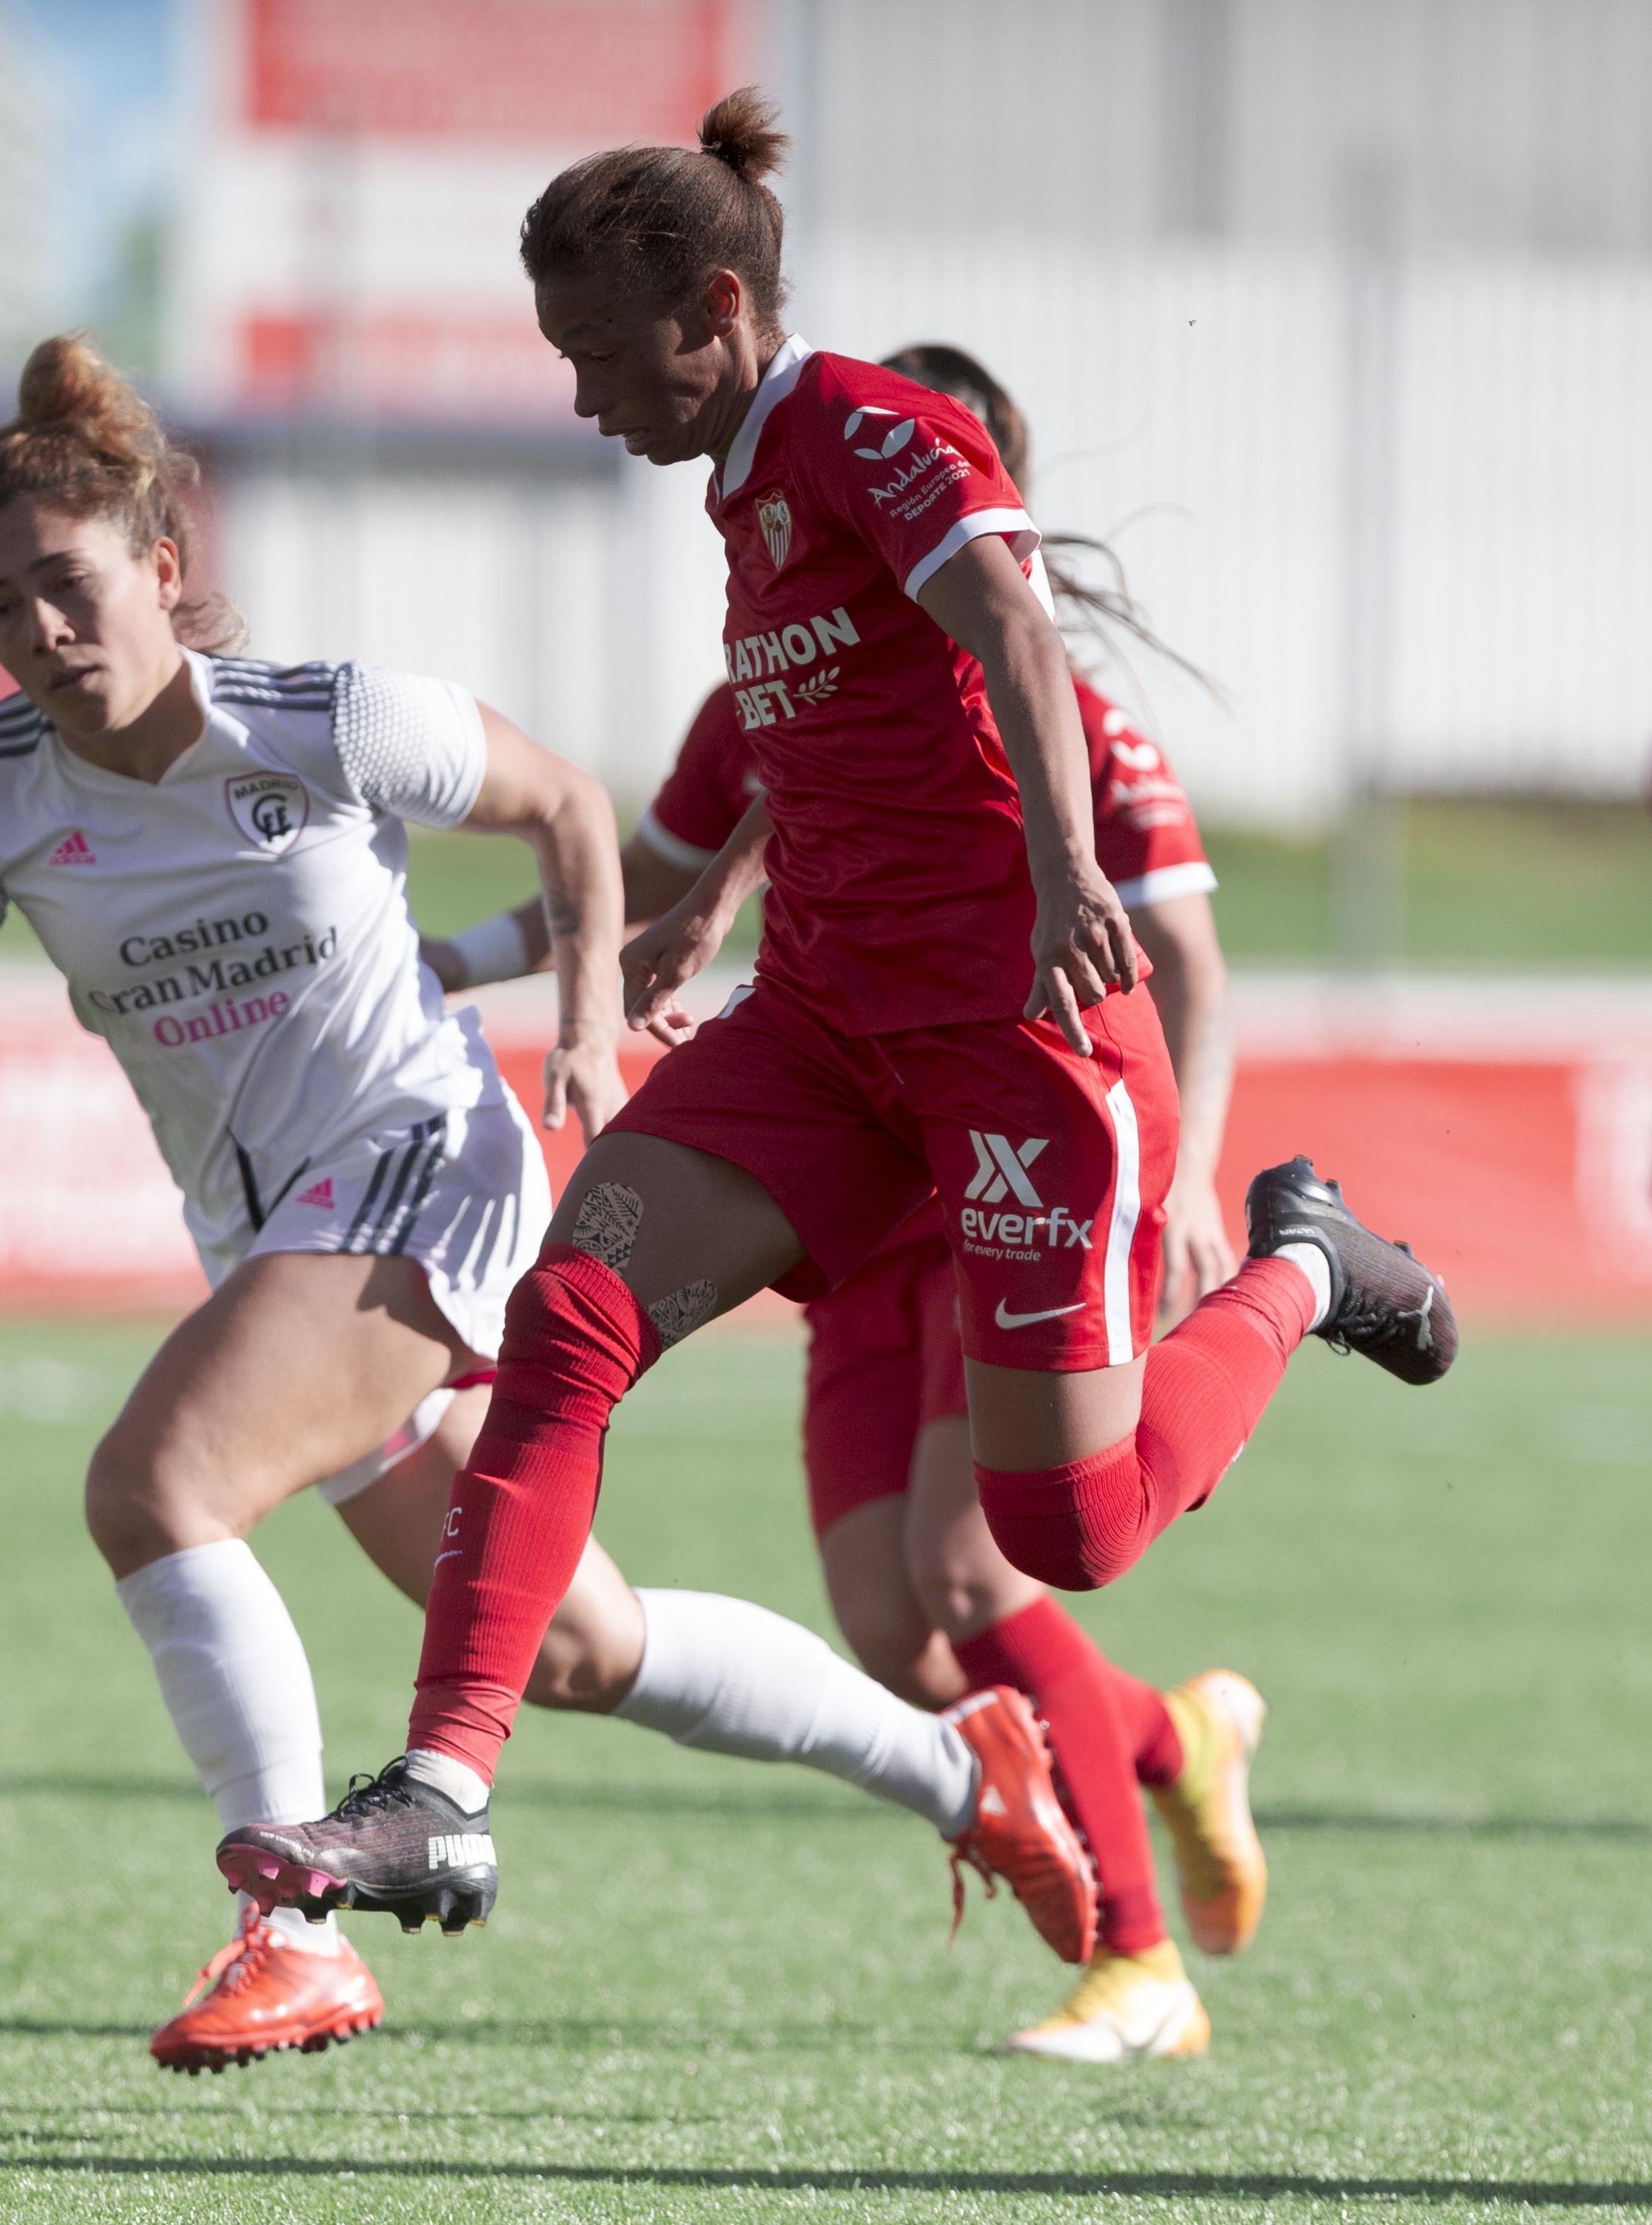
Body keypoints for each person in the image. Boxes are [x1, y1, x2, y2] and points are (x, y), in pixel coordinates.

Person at [219, 94, 1453, 1950]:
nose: (579, 404)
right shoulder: (738, 499)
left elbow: (1015, 638)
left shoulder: (874, 428)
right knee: (571, 1312)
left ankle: (1299, 1267)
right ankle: (441, 1793)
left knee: (1065, 1537)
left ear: (715, 310)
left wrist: (1058, 878)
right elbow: (772, 776)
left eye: (598, 358)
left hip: (1015, 1044)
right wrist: (672, 909)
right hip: (822, 1042)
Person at [0, 334, 1097, 2075]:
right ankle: (970, 1770)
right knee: (582, 1644)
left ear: (163, 569)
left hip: (428, 1165)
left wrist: (585, 1022)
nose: (37, 634)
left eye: (65, 587)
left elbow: (570, 806)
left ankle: (285, 1939)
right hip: (277, 1235)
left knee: (156, 1483)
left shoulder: (326, 716)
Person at [422, 339, 1265, 2063]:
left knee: (982, 1572)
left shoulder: (1071, 720)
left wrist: (1181, 1176)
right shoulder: (765, 686)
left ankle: (1139, 1959)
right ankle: (1175, 1743)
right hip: (850, 1168)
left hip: (997, 1172)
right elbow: (661, 874)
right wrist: (462, 959)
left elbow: (1179, 953)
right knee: (897, 1635)